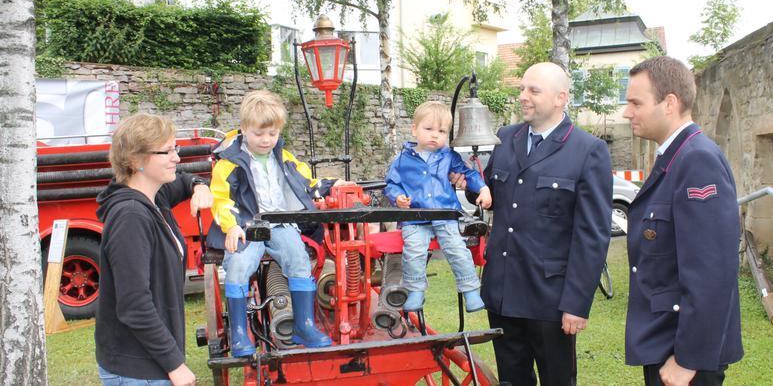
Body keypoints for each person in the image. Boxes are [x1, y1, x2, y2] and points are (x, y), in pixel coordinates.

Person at [478, 62, 612, 386]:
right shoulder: (505, 138)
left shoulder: (587, 150)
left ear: (560, 98)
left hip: (549, 299)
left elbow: (592, 234)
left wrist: (577, 304)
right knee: (512, 381)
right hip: (503, 292)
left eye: (533, 90)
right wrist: (468, 183)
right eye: (522, 89)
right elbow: (487, 192)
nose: (523, 96)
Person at [622, 56, 743, 386]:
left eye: (635, 102)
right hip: (665, 340)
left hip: (683, 354)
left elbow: (712, 271)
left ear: (669, 103)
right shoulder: (674, 156)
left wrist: (689, 359)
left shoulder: (697, 160)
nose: (626, 112)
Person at [207, 90, 354, 355]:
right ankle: (240, 333)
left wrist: (332, 184)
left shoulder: (284, 158)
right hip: (247, 225)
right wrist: (231, 226)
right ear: (244, 130)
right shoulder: (228, 164)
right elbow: (220, 199)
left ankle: (304, 325)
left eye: (272, 134)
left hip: (280, 223)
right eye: (259, 134)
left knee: (298, 258)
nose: (266, 140)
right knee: (239, 264)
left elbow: (305, 184)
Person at [96, 113, 213, 386]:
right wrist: (175, 364)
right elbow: (134, 304)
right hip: (137, 369)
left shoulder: (155, 195)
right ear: (136, 160)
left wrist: (199, 187)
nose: (177, 157)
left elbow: (184, 180)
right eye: (167, 151)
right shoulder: (131, 217)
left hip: (149, 364)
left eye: (176, 148)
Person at [384, 101, 492, 312]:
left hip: (444, 215)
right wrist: (397, 197)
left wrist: (483, 189)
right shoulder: (402, 160)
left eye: (442, 131)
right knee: (413, 252)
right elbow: (391, 184)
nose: (435, 135)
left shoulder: (448, 157)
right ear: (414, 129)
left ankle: (470, 290)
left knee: (457, 250)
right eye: (429, 129)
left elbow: (469, 174)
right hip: (416, 217)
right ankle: (415, 291)